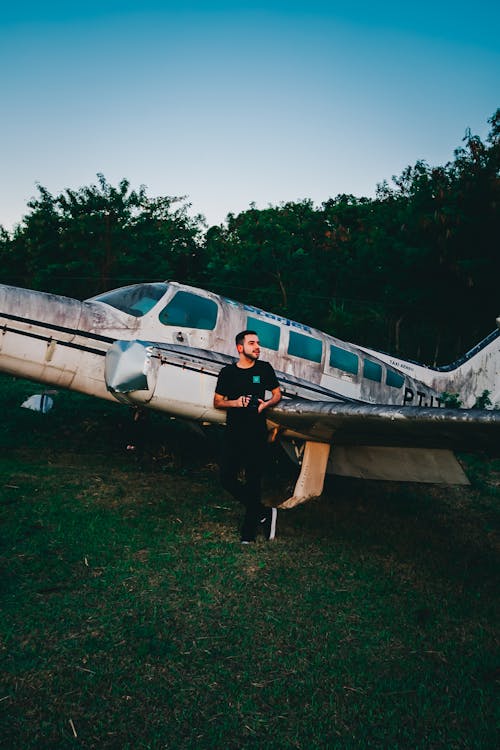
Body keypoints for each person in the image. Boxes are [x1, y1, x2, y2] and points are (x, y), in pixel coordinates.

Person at [214, 330, 282, 543]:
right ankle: (264, 512)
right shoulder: (227, 373)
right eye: (252, 343)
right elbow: (217, 401)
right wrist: (236, 402)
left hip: (256, 433)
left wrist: (267, 404)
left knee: (253, 482)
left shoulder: (264, 369)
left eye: (258, 343)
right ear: (240, 348)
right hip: (233, 433)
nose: (257, 347)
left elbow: (277, 393)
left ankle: (248, 533)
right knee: (226, 478)